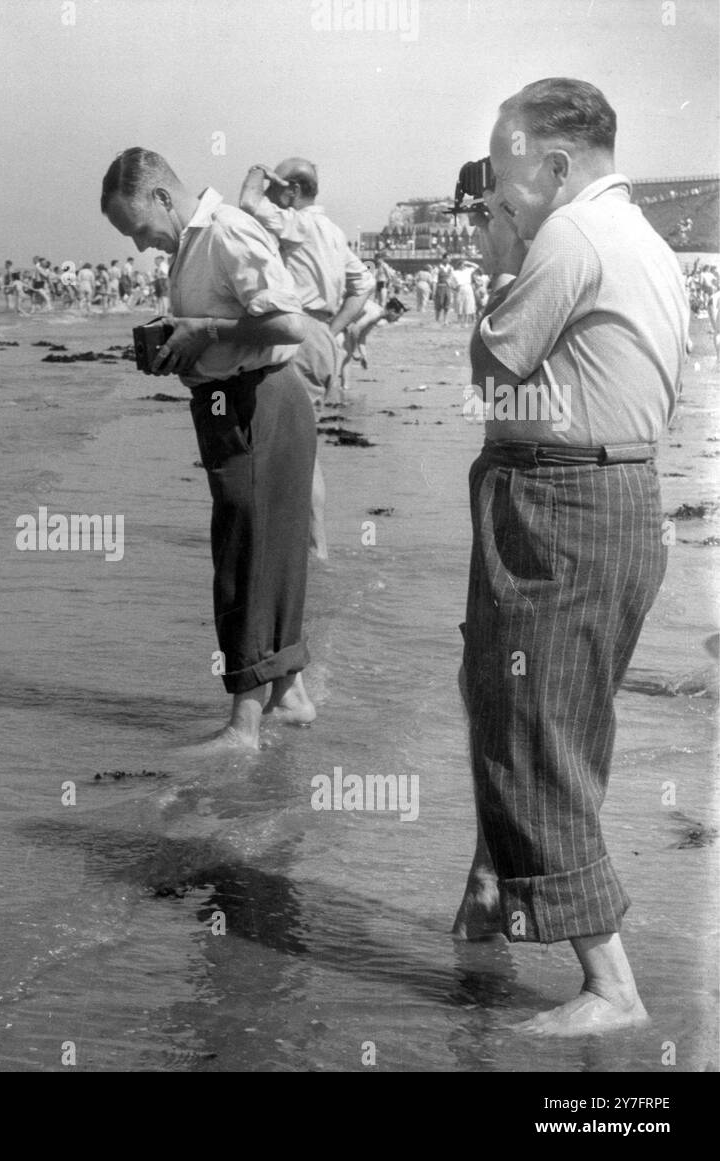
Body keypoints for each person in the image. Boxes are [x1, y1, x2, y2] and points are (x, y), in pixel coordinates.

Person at [453, 78, 688, 1036]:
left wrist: (505, 256)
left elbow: (491, 365)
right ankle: (490, 894)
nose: (498, 192)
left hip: (562, 501)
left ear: (554, 164)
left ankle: (610, 986)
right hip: (622, 495)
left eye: (507, 167)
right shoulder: (645, 241)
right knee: (528, 707)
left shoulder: (570, 235)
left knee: (534, 725)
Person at [101, 147, 332, 752]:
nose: (139, 245)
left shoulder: (226, 230)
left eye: (139, 229)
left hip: (258, 401)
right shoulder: (191, 245)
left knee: (245, 559)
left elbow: (289, 324)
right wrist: (183, 337)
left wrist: (205, 331)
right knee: (271, 553)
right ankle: (290, 696)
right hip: (238, 402)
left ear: (160, 197)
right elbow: (237, 320)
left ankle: (244, 726)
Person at [238, 157, 376, 560]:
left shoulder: (299, 222)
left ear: (292, 191)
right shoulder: (332, 231)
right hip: (320, 339)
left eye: (279, 190)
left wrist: (257, 174)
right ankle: (309, 543)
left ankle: (311, 546)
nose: (273, 198)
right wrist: (331, 332)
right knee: (303, 444)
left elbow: (248, 204)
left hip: (296, 333)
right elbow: (363, 286)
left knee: (290, 448)